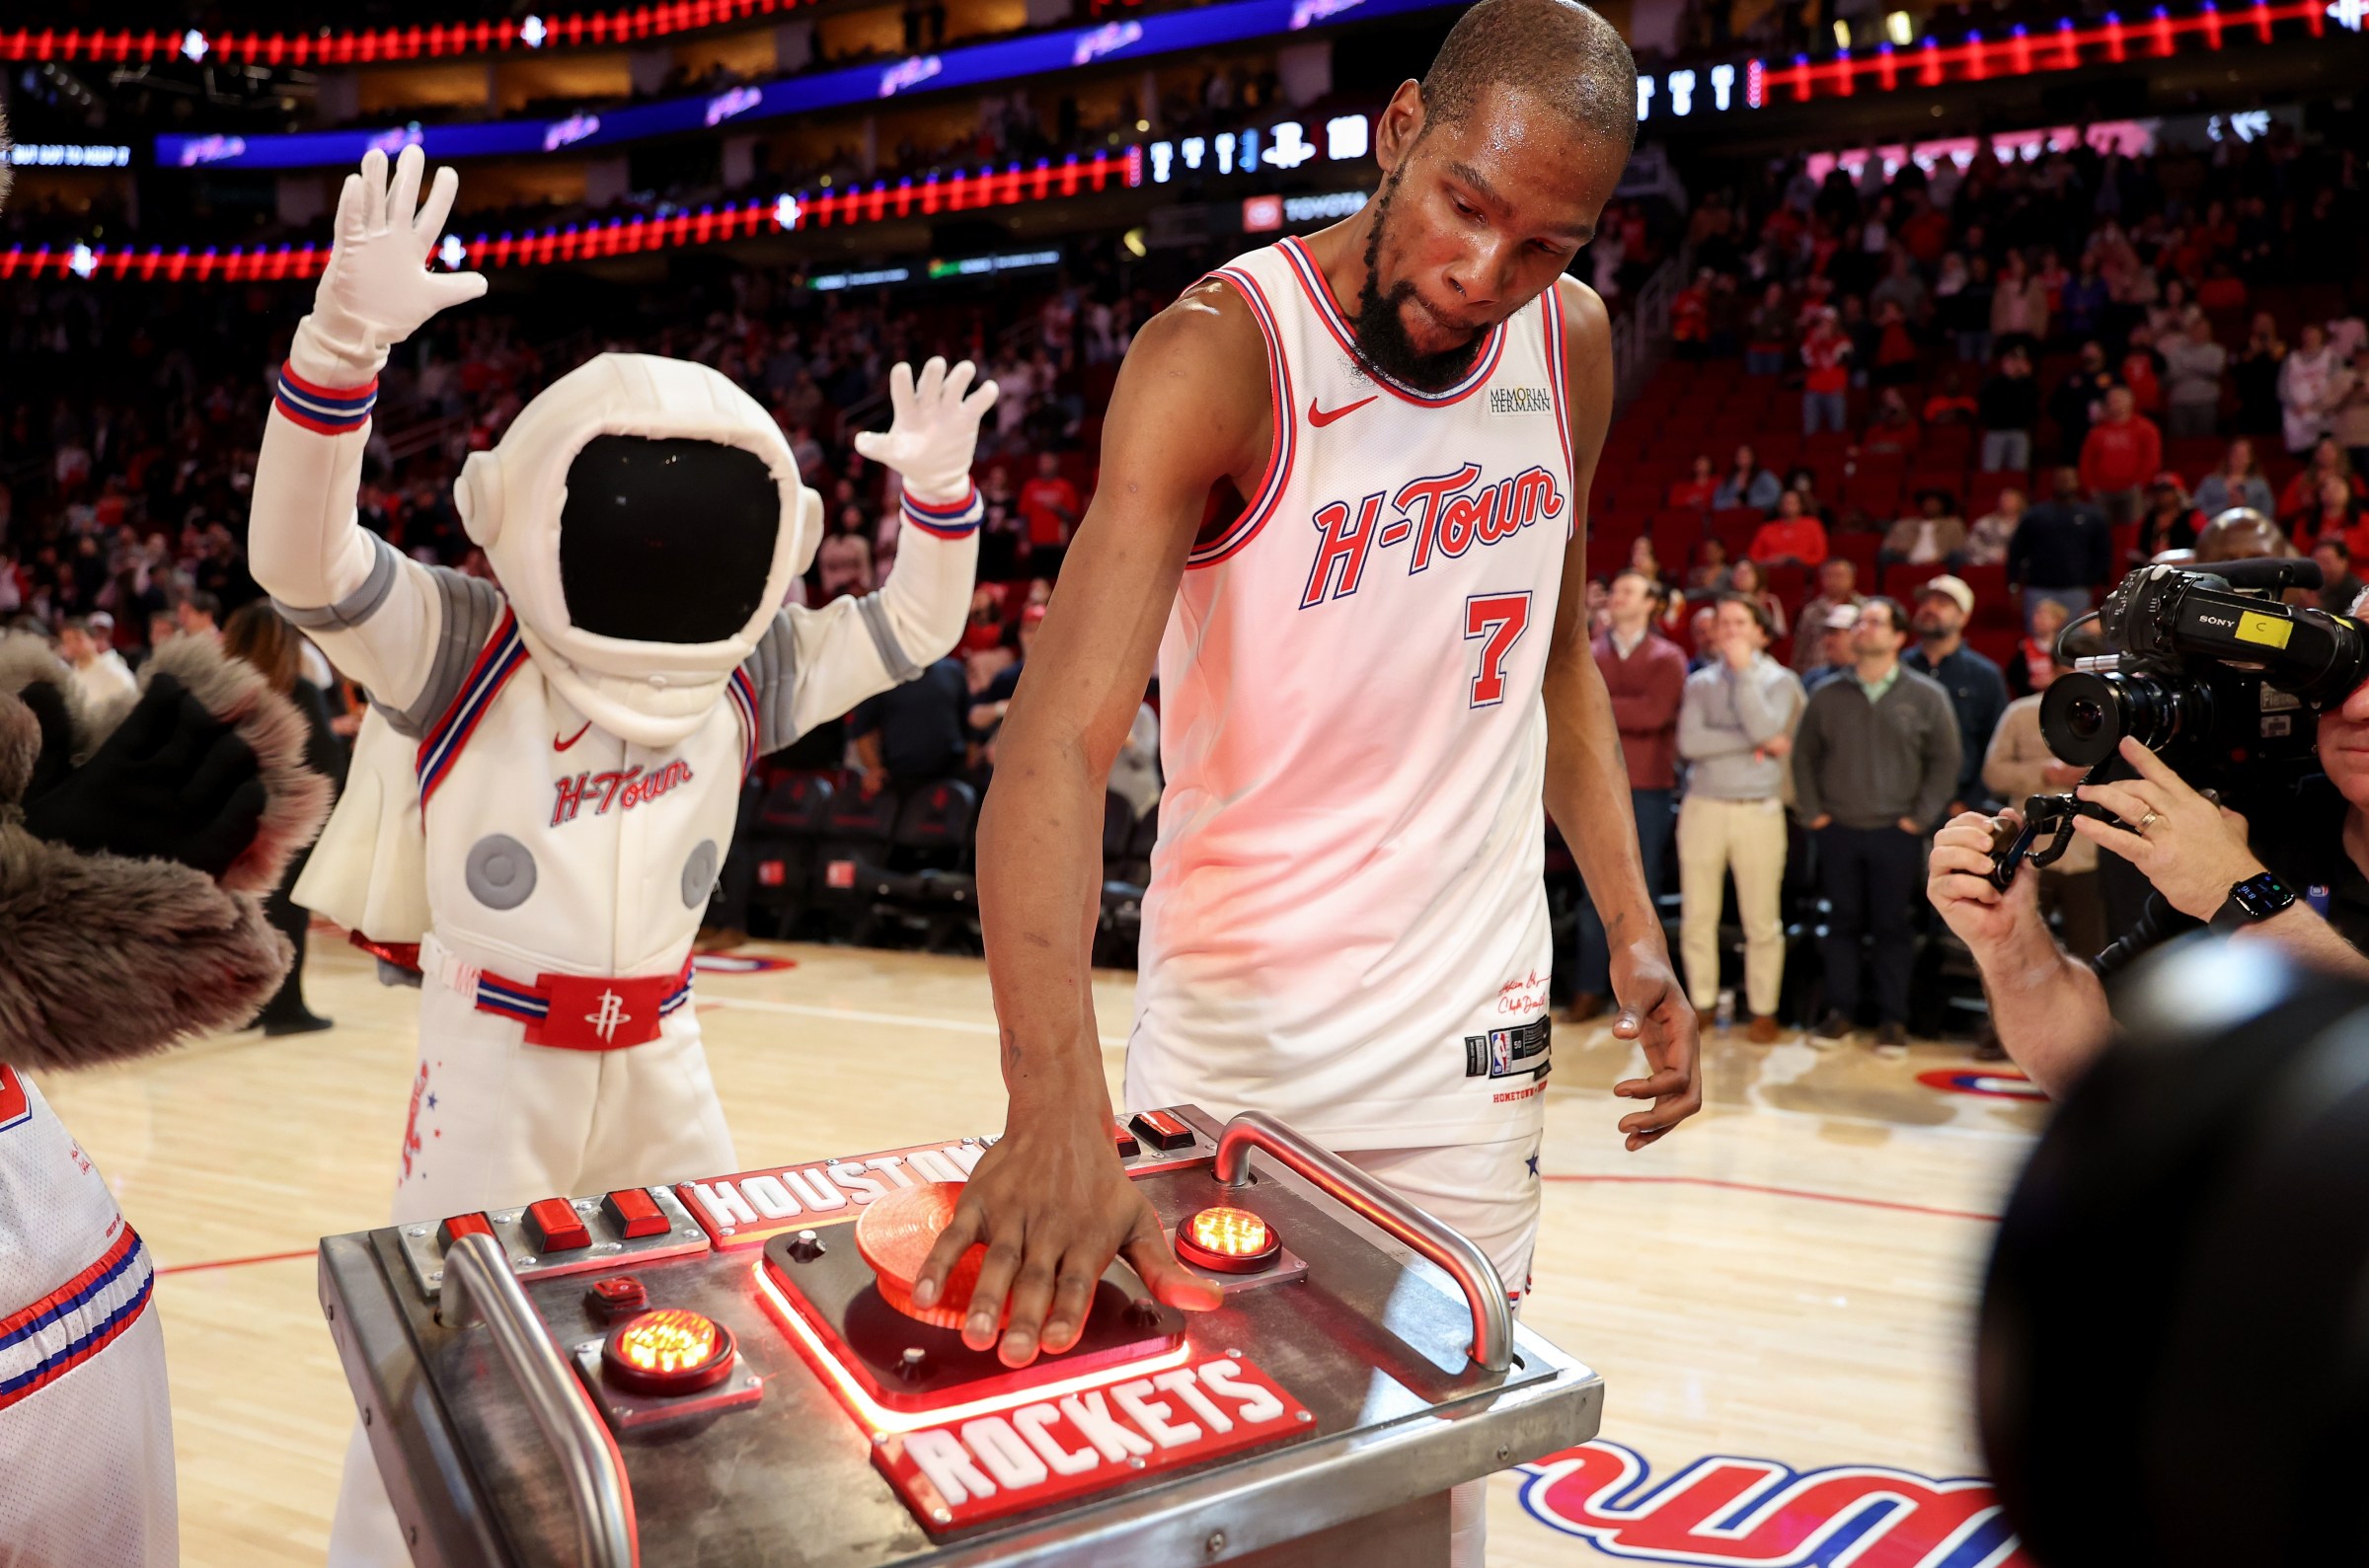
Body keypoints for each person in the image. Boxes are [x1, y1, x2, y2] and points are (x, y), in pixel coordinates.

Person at [923, 29, 1700, 1562]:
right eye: (1465, 206)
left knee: (1417, 1511)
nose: (1487, 270)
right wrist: (1052, 1103)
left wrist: (1635, 924)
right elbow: (1053, 755)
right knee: (1218, 1509)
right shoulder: (1219, 352)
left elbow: (1553, 663)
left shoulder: (1576, 346)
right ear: (1399, 127)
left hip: (1471, 1056)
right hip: (1243, 1058)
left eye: (1545, 243)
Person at [251, 149, 995, 1568]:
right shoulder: (474, 644)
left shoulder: (736, 673)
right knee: (435, 1360)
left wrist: (944, 502)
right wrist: (338, 346)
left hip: (665, 1057)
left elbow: (910, 629)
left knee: (712, 1332)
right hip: (495, 1059)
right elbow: (299, 557)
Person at [1928, 693, 2369, 1094]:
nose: (2358, 706)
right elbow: (2095, 1071)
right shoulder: (2274, 825)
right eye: (2351, 671)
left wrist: (2239, 888)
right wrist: (2010, 945)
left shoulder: (2236, 863)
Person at [1793, 597, 1960, 1054]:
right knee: (1842, 924)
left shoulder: (1926, 695)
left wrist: (1919, 819)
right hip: (1839, 828)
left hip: (1896, 831)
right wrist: (1815, 815)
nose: (1862, 628)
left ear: (1898, 637)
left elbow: (1946, 761)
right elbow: (1803, 757)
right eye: (1860, 622)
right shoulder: (1827, 693)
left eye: (1874, 622)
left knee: (1892, 926)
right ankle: (1839, 1012)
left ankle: (1892, 1020)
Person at [1675, 593, 1803, 1042]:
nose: (1727, 631)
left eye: (1738, 623)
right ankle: (1702, 1003)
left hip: (1758, 809)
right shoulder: (1700, 682)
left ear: (1760, 632)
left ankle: (1763, 1009)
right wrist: (1752, 743)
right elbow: (1690, 743)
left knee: (1761, 920)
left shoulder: (1781, 681)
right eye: (1722, 623)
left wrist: (1745, 675)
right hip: (1703, 806)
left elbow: (1769, 730)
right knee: (1698, 916)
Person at [220, 601, 348, 1035]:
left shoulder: (220, 697)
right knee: (287, 914)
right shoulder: (297, 692)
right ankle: (285, 1007)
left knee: (245, 915)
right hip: (286, 822)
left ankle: (250, 1005)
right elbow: (327, 760)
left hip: (232, 818)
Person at [1570, 568, 1687, 1022]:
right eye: (1614, 589)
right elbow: (1578, 713)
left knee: (1644, 891)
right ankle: (1587, 988)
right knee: (1589, 891)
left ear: (1651, 603)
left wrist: (1599, 707)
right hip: (1596, 786)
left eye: (1629, 590)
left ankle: (1647, 994)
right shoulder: (1588, 653)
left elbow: (1655, 713)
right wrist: (1613, 709)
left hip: (1649, 787)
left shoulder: (1669, 656)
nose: (1617, 595)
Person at [1979, 612, 2107, 964]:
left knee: (2090, 953)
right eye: (2068, 678)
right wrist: (2044, 774)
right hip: (2031, 852)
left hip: (2089, 854)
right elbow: (1992, 773)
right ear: (2052, 673)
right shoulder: (2021, 714)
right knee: (2020, 952)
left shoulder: (2112, 719)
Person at [1904, 574, 2009, 818]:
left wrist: (1969, 801)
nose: (1929, 608)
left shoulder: (1985, 675)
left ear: (1963, 617)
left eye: (1942, 604)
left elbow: (1995, 744)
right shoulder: (1898, 668)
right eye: (1926, 602)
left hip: (1955, 805)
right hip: (1898, 804)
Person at [850, 655, 970, 797]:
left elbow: (968, 722)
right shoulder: (886, 674)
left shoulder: (953, 670)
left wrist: (970, 761)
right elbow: (862, 727)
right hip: (901, 776)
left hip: (952, 773)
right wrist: (874, 768)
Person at [2009, 467, 2113, 629]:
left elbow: (2102, 553)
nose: (2065, 483)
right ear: (2053, 483)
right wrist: (2013, 584)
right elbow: (2016, 550)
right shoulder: (2035, 515)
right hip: (2039, 589)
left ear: (2077, 482)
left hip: (2076, 590)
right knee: (2040, 639)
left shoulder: (2092, 516)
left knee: (2073, 640)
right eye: (2061, 479)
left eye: (2069, 479)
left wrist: (2093, 581)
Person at [2080, 385, 2164, 528]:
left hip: (2133, 491)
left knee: (2134, 531)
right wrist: (2090, 487)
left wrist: (2140, 484)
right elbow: (2086, 462)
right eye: (2111, 399)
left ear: (2131, 401)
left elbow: (2152, 459)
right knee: (2100, 531)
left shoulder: (2145, 428)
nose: (2115, 402)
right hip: (2101, 492)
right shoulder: (2097, 432)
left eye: (2119, 399)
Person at [2158, 310, 2227, 441]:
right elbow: (2172, 374)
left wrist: (2187, 364)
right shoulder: (2176, 352)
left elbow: (2215, 369)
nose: (2200, 332)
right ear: (2190, 330)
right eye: (2197, 329)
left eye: (2204, 329)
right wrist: (2201, 367)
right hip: (2179, 403)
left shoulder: (2217, 351)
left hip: (2205, 402)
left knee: (2204, 442)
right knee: (2179, 443)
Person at [1790, 556, 1863, 675]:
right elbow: (1801, 649)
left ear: (1852, 579)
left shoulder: (1864, 609)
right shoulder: (1811, 611)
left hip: (1856, 673)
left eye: (1840, 576)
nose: (1834, 580)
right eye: (1829, 576)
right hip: (1817, 673)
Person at [2280, 322, 2340, 456]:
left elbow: (2336, 385)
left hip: (2324, 415)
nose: (2310, 338)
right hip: (2297, 415)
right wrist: (2296, 405)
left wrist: (2316, 405)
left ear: (2321, 336)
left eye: (2314, 335)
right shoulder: (2291, 359)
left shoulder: (2332, 357)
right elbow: (2281, 389)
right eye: (2307, 335)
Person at [1018, 449, 1082, 576]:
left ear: (1055, 463)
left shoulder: (1065, 487)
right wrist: (1023, 540)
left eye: (1047, 462)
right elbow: (1024, 516)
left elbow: (1072, 516)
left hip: (1057, 544)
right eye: (1042, 462)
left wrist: (1058, 508)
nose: (1044, 465)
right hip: (1036, 544)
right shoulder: (1030, 487)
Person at [2049, 342, 2113, 464]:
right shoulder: (2071, 378)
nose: (2090, 352)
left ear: (2102, 353)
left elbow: (2125, 405)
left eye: (2094, 349)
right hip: (2075, 435)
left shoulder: (2114, 377)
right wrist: (2070, 420)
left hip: (2107, 433)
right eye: (2087, 349)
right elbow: (2054, 406)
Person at [54, 613, 135, 706]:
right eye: (67, 641)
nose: (73, 645)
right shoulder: (71, 677)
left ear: (93, 640)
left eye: (78, 639)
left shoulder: (114, 672)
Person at [2006, 593, 2072, 699]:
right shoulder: (2023, 647)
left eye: (2045, 615)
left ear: (2058, 621)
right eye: (2037, 614)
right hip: (2030, 698)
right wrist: (2029, 682)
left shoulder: (2068, 648)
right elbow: (2013, 676)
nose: (2039, 620)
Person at [2191, 436, 2276, 518]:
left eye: (2243, 455)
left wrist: (2246, 508)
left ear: (2251, 459)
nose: (2239, 459)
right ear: (2229, 456)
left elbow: (2267, 513)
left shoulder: (2260, 485)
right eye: (2236, 454)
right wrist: (2226, 506)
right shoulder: (2210, 483)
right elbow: (2197, 512)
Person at [1880, 489, 1967, 566]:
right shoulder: (1905, 524)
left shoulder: (1953, 524)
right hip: (1907, 561)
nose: (1930, 505)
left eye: (1935, 502)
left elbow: (1959, 547)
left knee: (1957, 556)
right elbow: (1888, 546)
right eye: (1927, 502)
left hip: (1941, 562)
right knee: (1885, 554)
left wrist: (1937, 559)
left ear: (1943, 505)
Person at [1801, 306, 1852, 435]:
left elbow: (1842, 359)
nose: (1824, 325)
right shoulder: (1811, 338)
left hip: (1835, 391)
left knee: (1837, 431)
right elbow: (1808, 361)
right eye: (1822, 322)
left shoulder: (1844, 341)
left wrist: (1828, 341)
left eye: (1828, 322)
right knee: (1810, 432)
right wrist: (1816, 342)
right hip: (1813, 390)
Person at [1750, 487, 1828, 567]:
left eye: (1793, 503)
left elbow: (1820, 557)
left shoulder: (1813, 525)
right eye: (1786, 502)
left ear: (1801, 505)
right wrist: (1771, 561)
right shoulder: (1766, 528)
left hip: (1804, 571)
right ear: (1779, 506)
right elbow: (1754, 558)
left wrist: (1796, 560)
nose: (1789, 506)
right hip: (1772, 571)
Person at [2132, 473, 2199, 561]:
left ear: (2178, 493)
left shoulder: (2193, 516)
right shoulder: (2149, 519)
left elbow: (2202, 546)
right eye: (2158, 491)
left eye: (2167, 490)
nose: (2161, 495)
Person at [1802, 600, 1862, 691]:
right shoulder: (1813, 679)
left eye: (1834, 633)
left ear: (1854, 635)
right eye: (1826, 633)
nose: (1826, 640)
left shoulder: (1868, 680)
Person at [1964, 485, 2025, 568]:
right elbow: (1973, 544)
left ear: (2020, 502)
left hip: (2019, 563)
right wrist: (1993, 555)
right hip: (1987, 562)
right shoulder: (1984, 522)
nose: (2005, 502)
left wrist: (2011, 556)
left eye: (2010, 499)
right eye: (2003, 499)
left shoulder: (2028, 524)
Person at [1724, 555, 1786, 635]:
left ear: (1757, 576)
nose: (1742, 576)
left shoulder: (1770, 601)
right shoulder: (1726, 600)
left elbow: (1780, 631)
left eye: (1746, 572)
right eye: (1738, 572)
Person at [1712, 443, 1780, 511]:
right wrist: (1730, 504)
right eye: (1739, 457)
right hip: (1733, 515)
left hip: (1758, 515)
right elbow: (1716, 503)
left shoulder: (1763, 476)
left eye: (1745, 456)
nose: (1742, 460)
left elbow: (1775, 496)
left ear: (1752, 458)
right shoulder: (1729, 479)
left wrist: (1749, 503)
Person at [2314, 537, 2365, 617]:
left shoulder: (2358, 594)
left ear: (2343, 562)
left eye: (2326, 562)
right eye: (2317, 562)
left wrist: (2319, 607)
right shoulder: (2317, 588)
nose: (2321, 567)